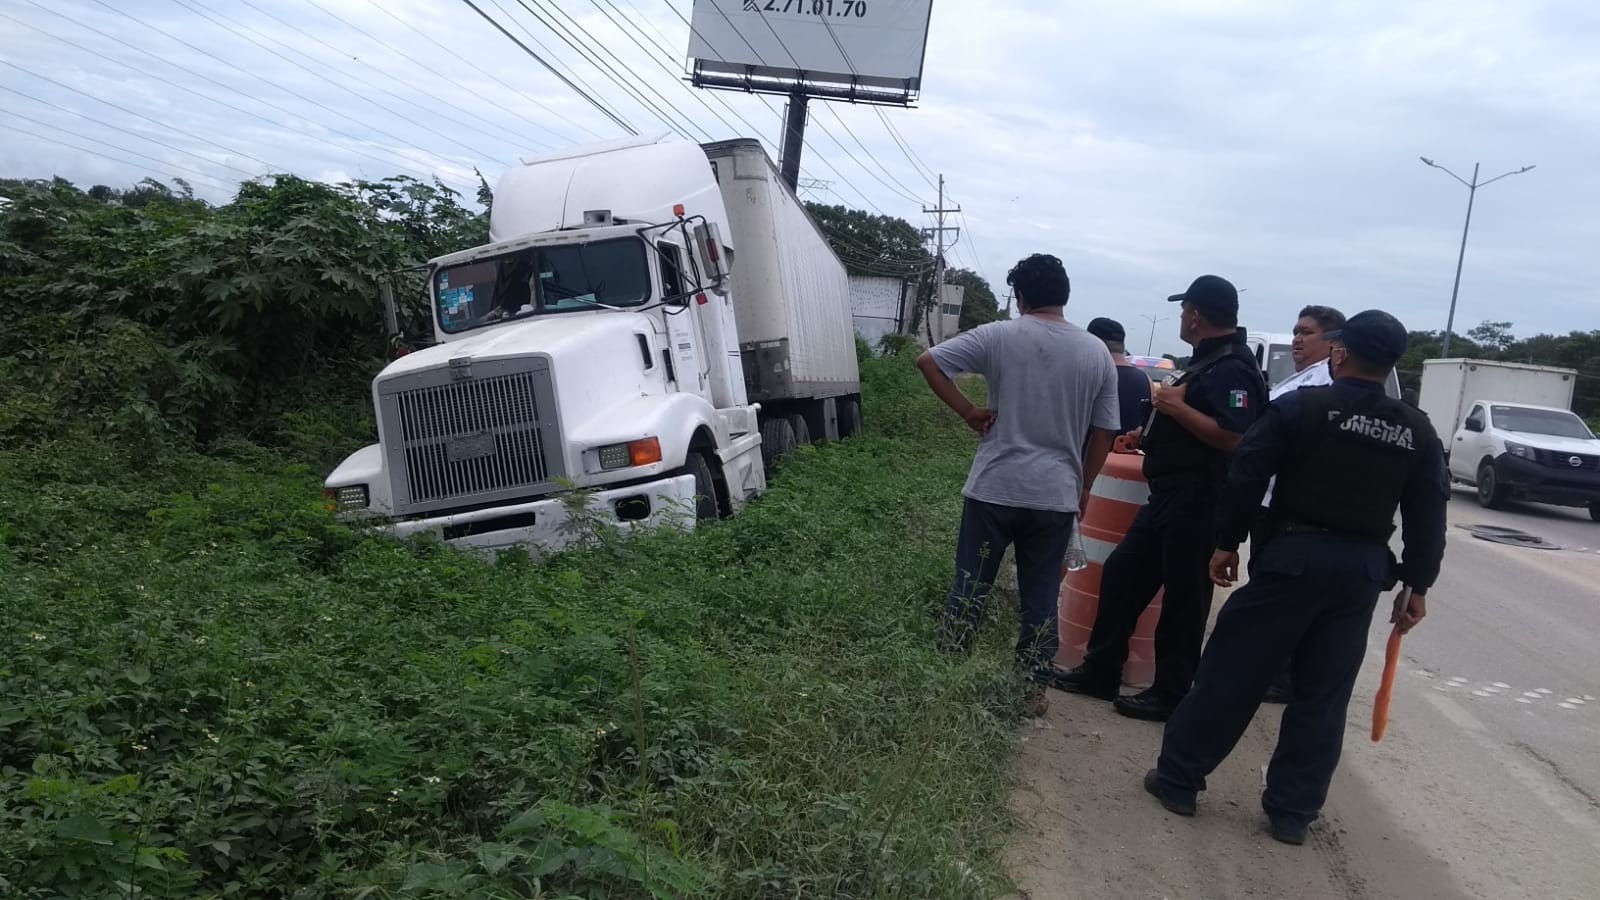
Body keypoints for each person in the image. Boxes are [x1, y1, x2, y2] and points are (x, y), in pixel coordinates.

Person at [1143, 310, 1446, 846]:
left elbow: (1247, 474)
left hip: (1292, 559)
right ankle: (1292, 813)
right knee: (1323, 694)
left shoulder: (1302, 407)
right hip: (1360, 574)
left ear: (1341, 352)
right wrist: (1417, 585)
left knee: (1233, 672)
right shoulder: (1416, 430)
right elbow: (1428, 513)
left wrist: (1225, 542)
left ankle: (1178, 780)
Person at [1053, 275, 1266, 722]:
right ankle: (1100, 671)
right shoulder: (1207, 361)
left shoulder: (1234, 368)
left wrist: (1174, 408)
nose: (1182, 317)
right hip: (1168, 494)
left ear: (1197, 314)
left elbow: (1236, 437)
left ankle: (1170, 694)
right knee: (1122, 574)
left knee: (1185, 600)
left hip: (1200, 497)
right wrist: (1145, 434)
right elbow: (1190, 424)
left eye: (1185, 310)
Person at [918, 253, 1121, 715]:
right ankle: (1031, 689)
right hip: (1055, 496)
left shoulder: (999, 335)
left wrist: (969, 412)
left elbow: (928, 361)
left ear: (1020, 296)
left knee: (970, 585)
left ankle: (948, 674)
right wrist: (1084, 489)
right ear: (1064, 296)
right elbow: (1105, 432)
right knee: (1041, 594)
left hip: (993, 488)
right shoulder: (1095, 353)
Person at [1252, 305, 1345, 704]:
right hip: (1270, 499)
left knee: (1279, 597)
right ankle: (1276, 669)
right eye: (1295, 330)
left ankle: (1283, 675)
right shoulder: (1302, 377)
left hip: (1285, 505)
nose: (1296, 339)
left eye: (1306, 332)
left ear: (1333, 342)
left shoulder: (1326, 382)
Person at [1086, 317, 1154, 434]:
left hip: (1090, 450)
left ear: (1093, 343)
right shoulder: (1146, 379)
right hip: (1130, 450)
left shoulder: (1089, 375)